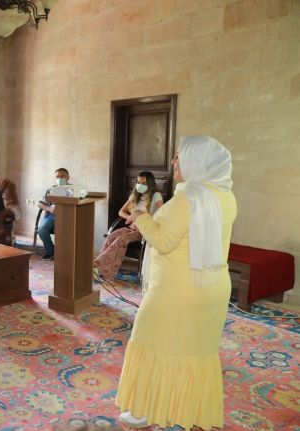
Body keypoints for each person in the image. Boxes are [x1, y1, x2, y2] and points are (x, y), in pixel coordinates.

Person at [115, 136, 237, 429]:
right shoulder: (226, 196)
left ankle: (144, 411)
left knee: (150, 343)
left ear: (197, 161)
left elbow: (164, 241)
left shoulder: (187, 198)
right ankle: (187, 410)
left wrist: (141, 217)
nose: (173, 162)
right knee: (193, 350)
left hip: (176, 290)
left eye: (179, 156)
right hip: (212, 286)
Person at [93, 171, 164, 279]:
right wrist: (131, 217)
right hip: (132, 228)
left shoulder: (156, 195)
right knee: (111, 236)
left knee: (121, 240)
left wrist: (143, 219)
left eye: (143, 183)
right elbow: (121, 212)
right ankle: (101, 269)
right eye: (138, 182)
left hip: (144, 231)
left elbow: (162, 214)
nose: (140, 185)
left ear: (150, 184)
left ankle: (97, 266)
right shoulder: (135, 196)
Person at [37, 167, 70, 260]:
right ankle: (51, 251)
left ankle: (66, 253)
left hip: (68, 216)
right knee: (42, 229)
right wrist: (48, 209)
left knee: (65, 230)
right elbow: (40, 203)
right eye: (57, 177)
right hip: (52, 216)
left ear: (68, 177)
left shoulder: (73, 189)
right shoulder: (51, 189)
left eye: (62, 176)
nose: (60, 178)